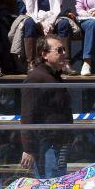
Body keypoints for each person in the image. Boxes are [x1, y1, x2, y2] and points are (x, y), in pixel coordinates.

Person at [20, 36, 73, 178]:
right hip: (45, 145)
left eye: (64, 50)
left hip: (59, 142)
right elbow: (27, 115)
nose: (64, 53)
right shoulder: (36, 78)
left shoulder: (55, 77)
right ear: (44, 54)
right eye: (59, 50)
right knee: (49, 187)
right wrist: (29, 149)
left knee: (58, 186)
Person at [16, 0, 71, 70]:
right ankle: (30, 63)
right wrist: (41, 22)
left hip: (52, 18)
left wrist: (50, 22)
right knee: (29, 23)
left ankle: (65, 63)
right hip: (32, 18)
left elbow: (58, 8)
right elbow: (24, 10)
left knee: (64, 23)